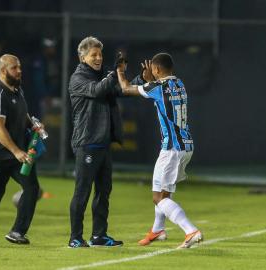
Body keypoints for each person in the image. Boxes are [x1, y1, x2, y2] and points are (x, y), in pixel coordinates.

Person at [116, 52, 203, 248]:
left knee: (159, 198)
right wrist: (150, 80)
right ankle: (158, 230)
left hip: (172, 148)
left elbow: (125, 89)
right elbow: (160, 92)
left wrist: (121, 72)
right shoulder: (179, 83)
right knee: (162, 191)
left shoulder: (157, 87)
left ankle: (191, 231)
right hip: (185, 145)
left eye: (153, 70)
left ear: (156, 69)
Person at [68, 36, 124, 248]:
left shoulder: (102, 76)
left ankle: (99, 235)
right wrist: (112, 74)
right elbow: (97, 90)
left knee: (103, 191)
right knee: (82, 192)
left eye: (100, 54)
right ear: (83, 57)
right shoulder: (78, 78)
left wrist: (140, 80)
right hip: (87, 142)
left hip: (103, 143)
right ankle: (75, 237)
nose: (99, 58)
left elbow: (120, 89)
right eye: (94, 54)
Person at [0, 54, 41, 246]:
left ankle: (17, 232)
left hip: (17, 153)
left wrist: (33, 126)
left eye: (20, 67)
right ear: (3, 71)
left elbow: (23, 115)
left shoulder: (17, 91)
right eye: (15, 68)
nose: (19, 71)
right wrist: (16, 151)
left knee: (32, 188)